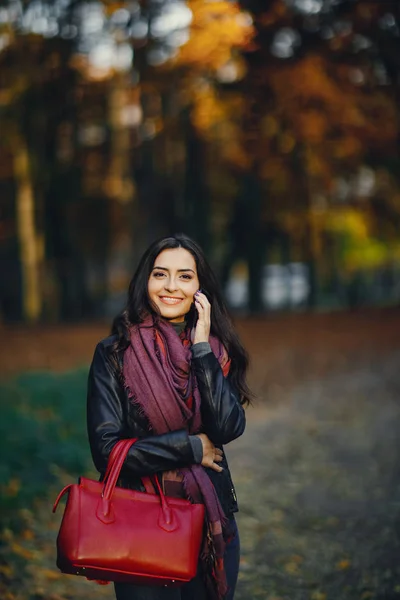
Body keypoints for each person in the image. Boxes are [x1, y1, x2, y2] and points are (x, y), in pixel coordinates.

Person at [87, 234, 252, 600]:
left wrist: (202, 349)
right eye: (161, 274)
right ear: (145, 280)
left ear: (200, 287)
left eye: (184, 276)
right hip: (139, 523)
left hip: (210, 524)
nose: (171, 287)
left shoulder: (215, 350)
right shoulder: (114, 353)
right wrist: (190, 448)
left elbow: (227, 427)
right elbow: (107, 450)